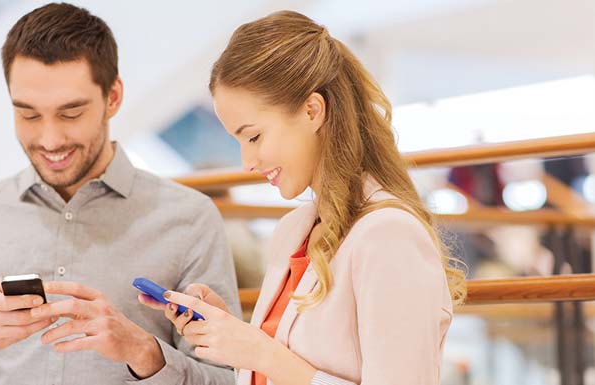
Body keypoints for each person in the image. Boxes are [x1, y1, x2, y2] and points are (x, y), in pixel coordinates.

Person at [0, 3, 240, 385]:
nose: (49, 139)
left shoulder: (190, 219)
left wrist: (143, 353)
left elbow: (228, 379)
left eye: (70, 113)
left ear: (113, 97)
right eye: (28, 114)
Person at [139, 10, 466, 385]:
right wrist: (231, 334)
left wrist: (259, 351)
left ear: (312, 110)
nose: (246, 162)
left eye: (254, 137)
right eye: (238, 141)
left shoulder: (390, 235)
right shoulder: (293, 231)